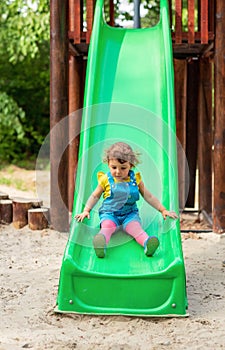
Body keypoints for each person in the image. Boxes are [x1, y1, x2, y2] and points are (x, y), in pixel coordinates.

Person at [75, 142, 178, 258]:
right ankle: (101, 243)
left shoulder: (136, 180)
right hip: (110, 213)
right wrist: (86, 210)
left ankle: (147, 243)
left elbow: (149, 196)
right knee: (107, 226)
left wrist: (163, 210)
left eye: (123, 168)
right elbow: (95, 196)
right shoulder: (105, 180)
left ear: (131, 165)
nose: (118, 172)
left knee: (135, 228)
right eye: (114, 167)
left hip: (130, 214)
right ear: (108, 164)